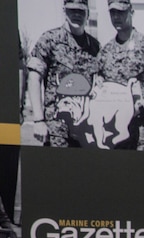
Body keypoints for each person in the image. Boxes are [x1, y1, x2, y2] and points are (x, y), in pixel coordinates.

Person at [27, 0, 101, 147]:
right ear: (64, 11)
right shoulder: (49, 40)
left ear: (87, 14)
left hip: (86, 129)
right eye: (72, 10)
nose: (76, 15)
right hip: (57, 129)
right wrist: (38, 120)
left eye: (81, 11)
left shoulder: (95, 46)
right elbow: (34, 78)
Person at [94, 0, 144, 151]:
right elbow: (99, 86)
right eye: (113, 13)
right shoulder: (105, 52)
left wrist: (139, 108)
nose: (117, 17)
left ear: (131, 12)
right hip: (115, 136)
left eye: (121, 12)